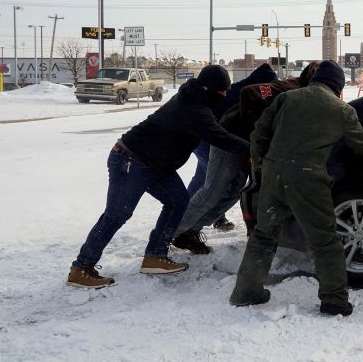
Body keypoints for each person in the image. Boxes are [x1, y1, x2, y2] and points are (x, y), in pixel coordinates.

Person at [229, 60, 363, 315]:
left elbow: (259, 133)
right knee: (325, 239)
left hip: (274, 173)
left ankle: (246, 292)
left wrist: (263, 162)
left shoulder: (287, 98)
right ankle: (334, 299)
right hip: (307, 178)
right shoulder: (340, 110)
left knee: (264, 235)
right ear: (338, 86)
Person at [67, 65, 251, 289]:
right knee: (117, 214)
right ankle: (81, 268)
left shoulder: (197, 100)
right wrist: (254, 150)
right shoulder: (194, 109)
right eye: (221, 91)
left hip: (155, 163)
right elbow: (219, 136)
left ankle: (155, 255)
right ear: (207, 88)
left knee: (177, 202)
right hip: (131, 159)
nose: (224, 95)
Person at [171, 61, 321, 254]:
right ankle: (165, 235)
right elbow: (249, 93)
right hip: (230, 139)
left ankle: (189, 232)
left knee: (233, 193)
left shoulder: (307, 96)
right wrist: (256, 137)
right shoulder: (287, 88)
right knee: (212, 191)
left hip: (245, 148)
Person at [185, 63, 277, 232]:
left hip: (206, 137)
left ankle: (186, 210)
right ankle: (200, 221)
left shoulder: (246, 89)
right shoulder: (244, 93)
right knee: (214, 183)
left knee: (203, 178)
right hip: (208, 137)